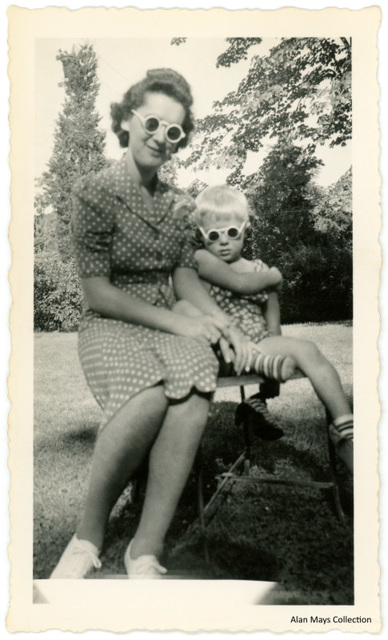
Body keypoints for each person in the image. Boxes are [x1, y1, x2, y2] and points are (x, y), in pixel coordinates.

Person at [50, 69, 261, 580]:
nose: (160, 137)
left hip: (170, 324)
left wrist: (219, 323)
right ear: (126, 119)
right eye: (151, 121)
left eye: (174, 131)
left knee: (194, 390)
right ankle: (87, 536)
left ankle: (145, 549)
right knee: (146, 394)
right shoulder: (93, 192)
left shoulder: (178, 205)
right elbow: (98, 292)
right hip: (111, 322)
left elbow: (184, 278)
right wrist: (180, 323)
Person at [176, 185, 354, 470]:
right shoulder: (202, 264)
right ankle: (260, 393)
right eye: (213, 235)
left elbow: (272, 314)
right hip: (223, 348)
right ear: (201, 237)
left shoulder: (259, 268)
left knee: (308, 350)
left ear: (245, 230)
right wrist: (273, 277)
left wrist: (279, 350)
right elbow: (196, 307)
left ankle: (346, 430)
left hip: (259, 341)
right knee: (242, 348)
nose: (223, 241)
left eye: (232, 232)